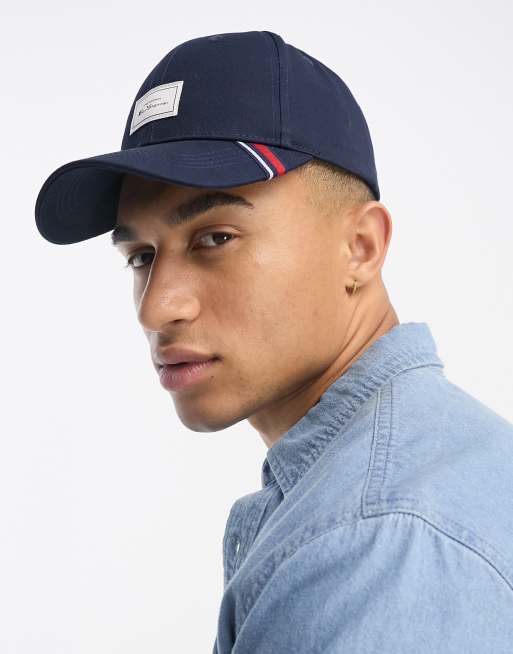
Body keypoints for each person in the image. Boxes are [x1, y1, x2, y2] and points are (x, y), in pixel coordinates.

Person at [34, 30, 513, 653]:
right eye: (141, 256)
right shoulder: (432, 466)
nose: (157, 307)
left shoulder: (375, 540)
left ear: (360, 248)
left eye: (215, 238)